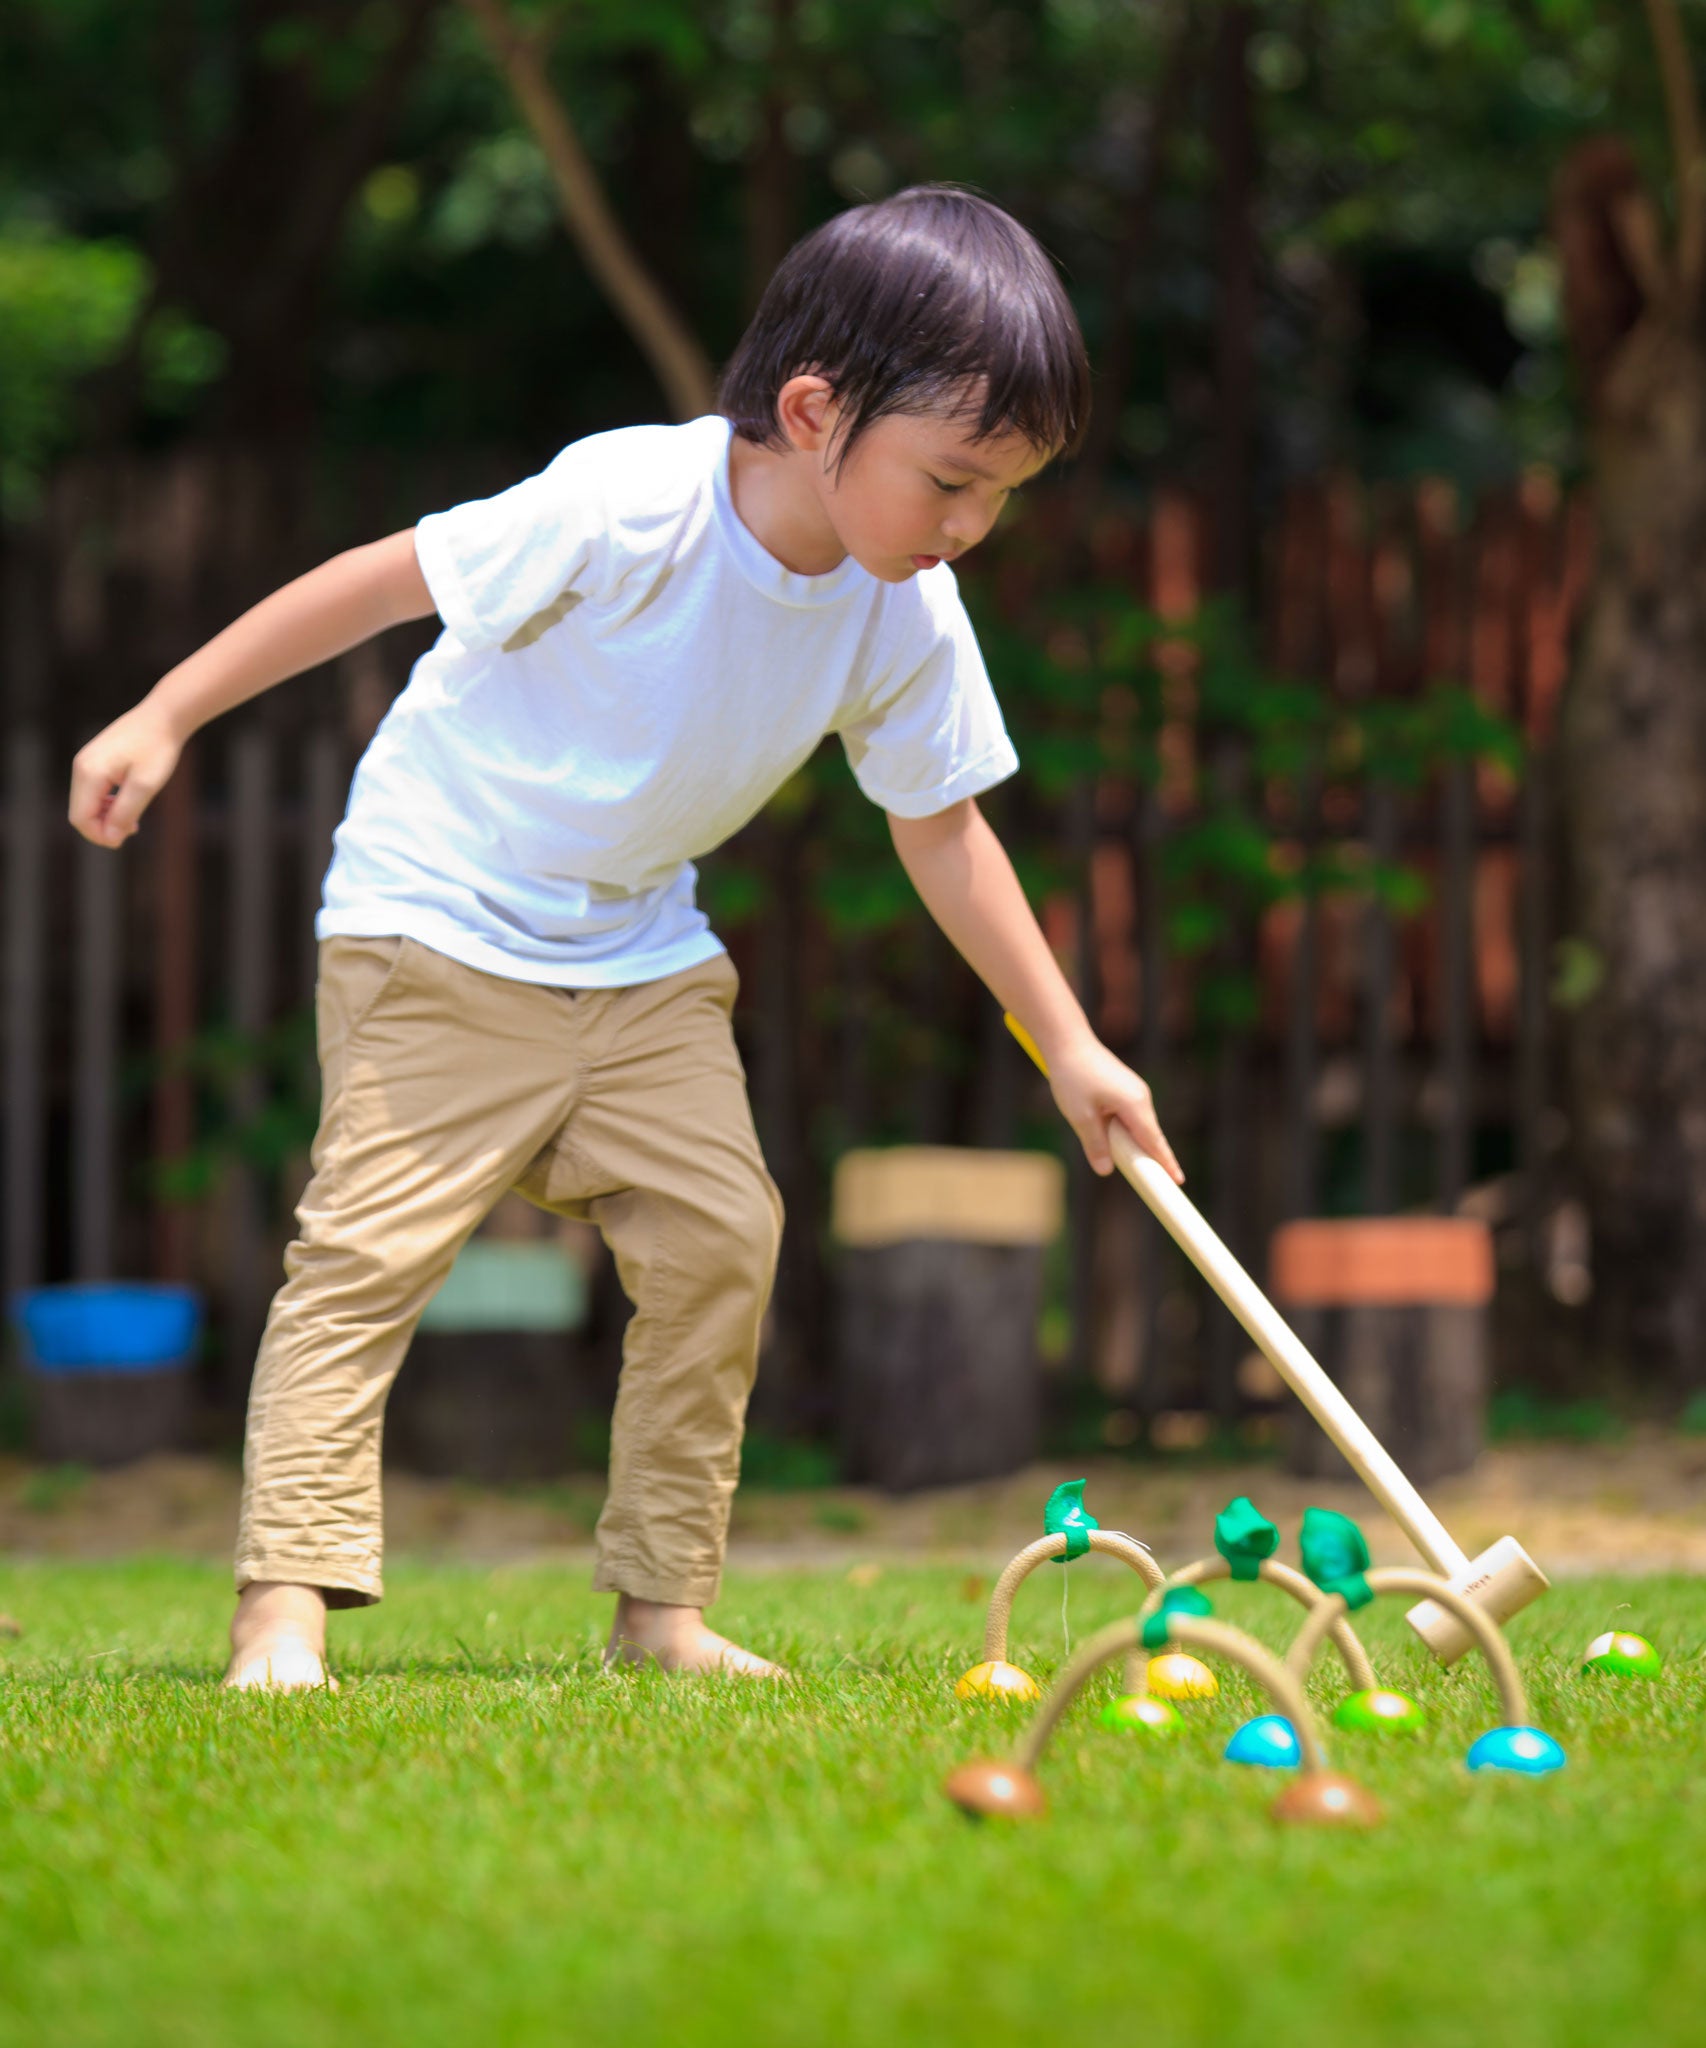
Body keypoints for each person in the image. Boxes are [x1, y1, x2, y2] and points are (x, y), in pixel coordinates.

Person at [67, 184, 1182, 1689]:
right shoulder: (621, 507)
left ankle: (659, 1612)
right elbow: (377, 586)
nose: (970, 529)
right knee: (368, 1253)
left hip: (638, 959)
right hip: (439, 920)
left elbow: (942, 830)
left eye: (1001, 498)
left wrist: (1072, 1048)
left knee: (726, 1237)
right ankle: (286, 1601)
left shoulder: (903, 610)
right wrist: (166, 711)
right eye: (951, 483)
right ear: (810, 411)